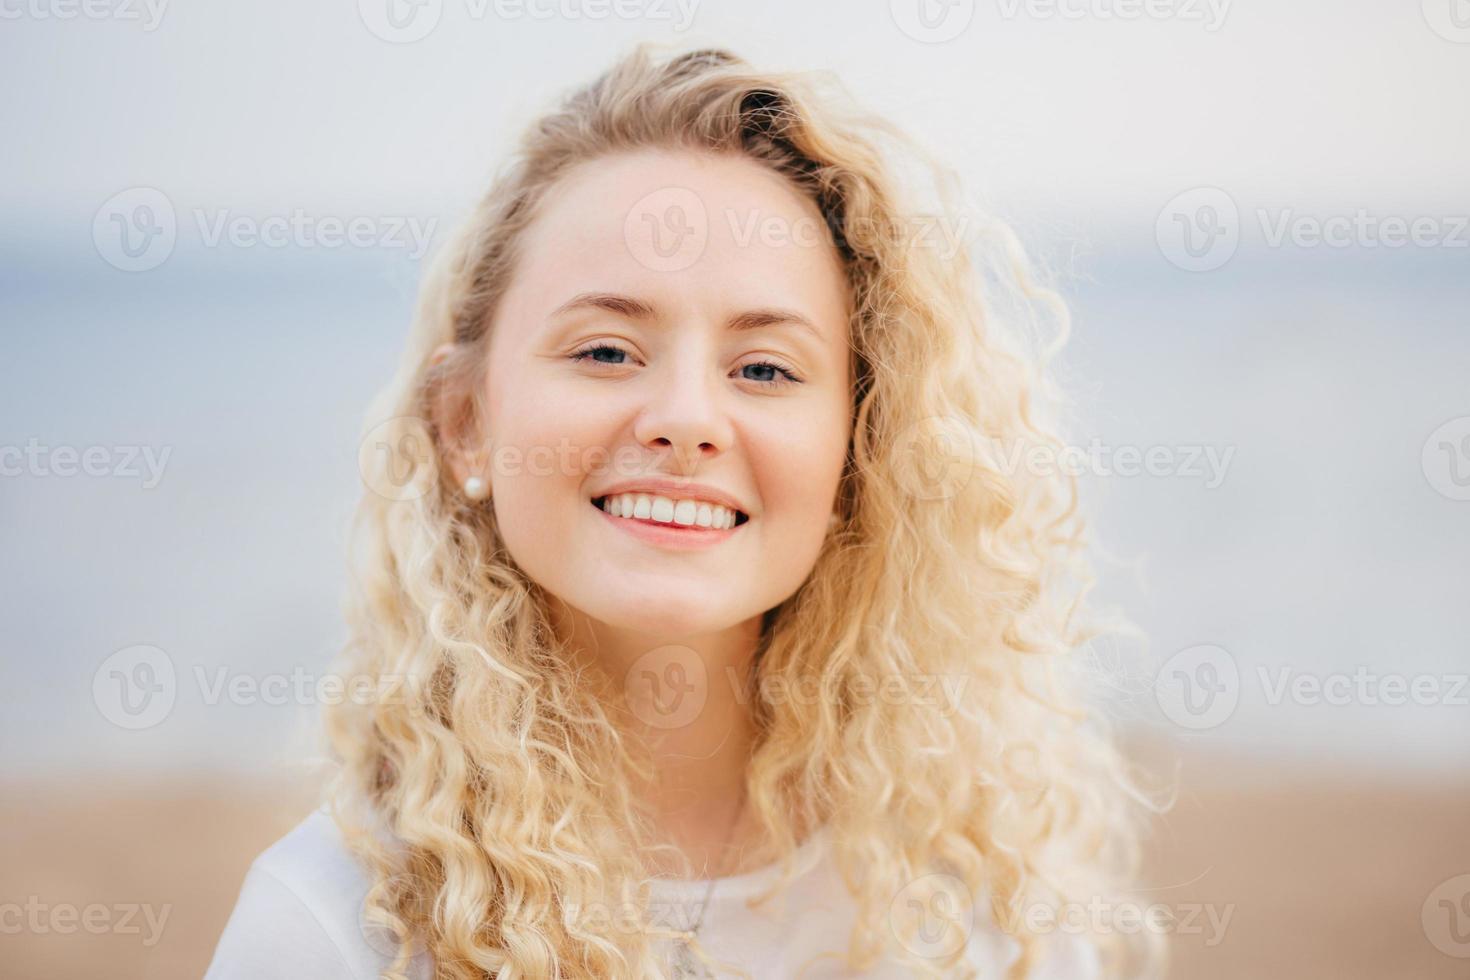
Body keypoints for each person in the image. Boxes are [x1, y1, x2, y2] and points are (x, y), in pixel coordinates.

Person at [206, 43, 1159, 979]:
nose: (688, 421)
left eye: (764, 369)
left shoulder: (985, 913)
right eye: (607, 351)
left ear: (862, 452)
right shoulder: (335, 931)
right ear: (462, 422)